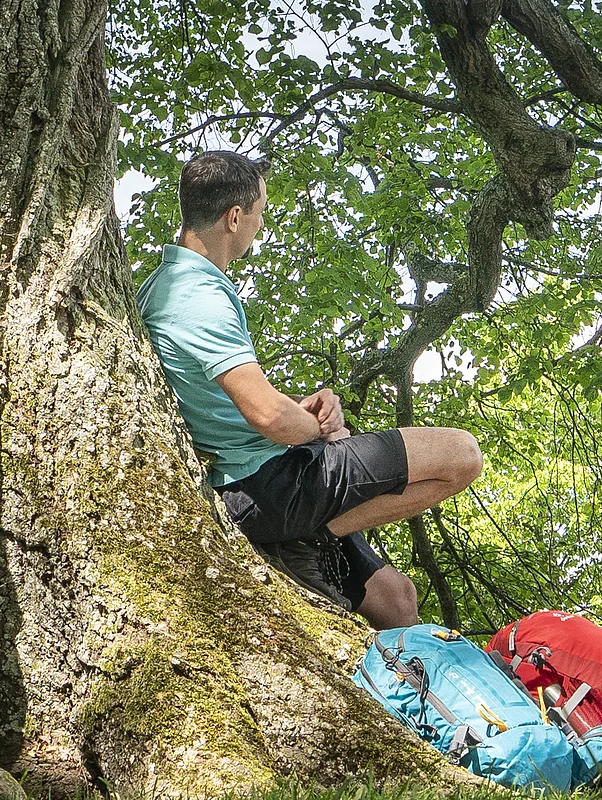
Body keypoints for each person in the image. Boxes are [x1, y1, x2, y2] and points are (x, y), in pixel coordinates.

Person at [135, 151, 483, 630]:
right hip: (262, 486)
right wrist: (316, 430)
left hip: (268, 472)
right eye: (259, 211)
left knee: (399, 601)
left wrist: (305, 414)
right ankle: (307, 534)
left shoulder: (170, 285)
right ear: (234, 217)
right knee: (461, 454)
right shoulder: (195, 295)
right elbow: (268, 417)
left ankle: (308, 536)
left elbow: (246, 405)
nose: (260, 222)